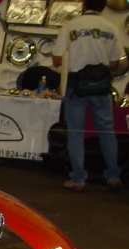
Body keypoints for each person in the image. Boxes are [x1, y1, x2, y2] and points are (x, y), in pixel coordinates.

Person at [52, 0, 122, 192]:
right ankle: (113, 175)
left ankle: (78, 178)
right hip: (101, 85)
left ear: (83, 5)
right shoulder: (111, 28)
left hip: (77, 84)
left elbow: (56, 59)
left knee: (76, 132)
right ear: (103, 6)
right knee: (107, 131)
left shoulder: (70, 26)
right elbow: (115, 63)